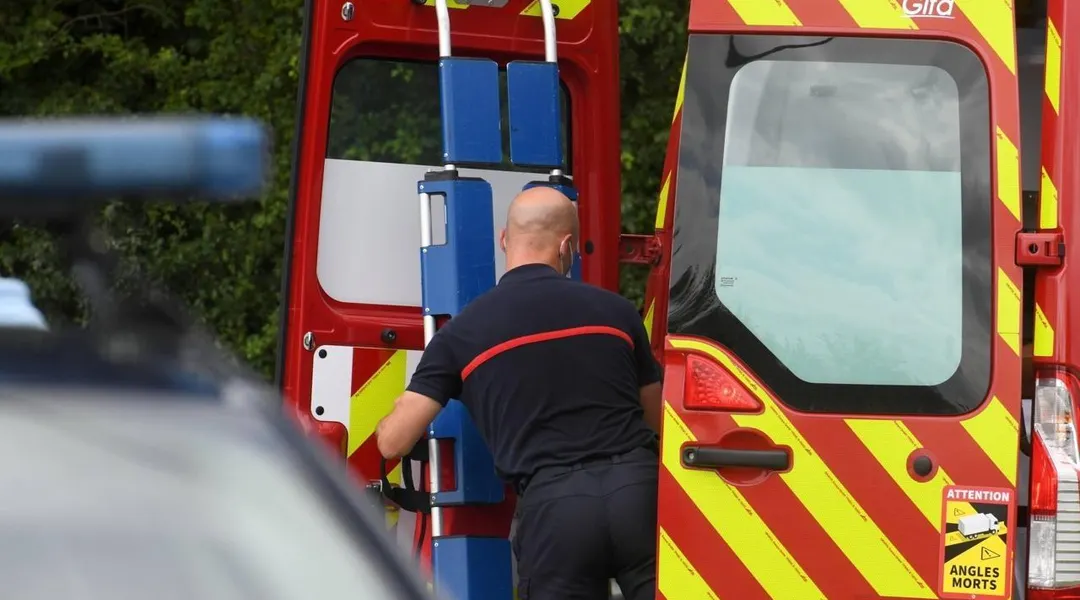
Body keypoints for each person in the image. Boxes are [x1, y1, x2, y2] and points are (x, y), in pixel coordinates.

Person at [376, 186, 663, 600]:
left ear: (504, 240)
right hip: (638, 494)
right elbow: (656, 420)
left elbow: (394, 440)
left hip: (556, 512)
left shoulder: (463, 333)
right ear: (567, 245)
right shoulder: (616, 312)